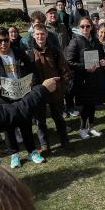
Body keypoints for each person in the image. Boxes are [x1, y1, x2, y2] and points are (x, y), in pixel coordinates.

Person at [0, 27, 44, 168]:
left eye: (6, 40)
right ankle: (14, 154)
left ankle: (32, 151)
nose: (3, 44)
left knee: (26, 123)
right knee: (8, 127)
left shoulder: (19, 53)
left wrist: (32, 80)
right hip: (3, 99)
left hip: (22, 95)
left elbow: (33, 70)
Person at [27, 23, 72, 152]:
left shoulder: (55, 51)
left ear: (46, 34)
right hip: (37, 92)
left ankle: (65, 141)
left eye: (42, 34)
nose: (40, 36)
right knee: (40, 121)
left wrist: (62, 87)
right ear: (33, 35)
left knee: (58, 118)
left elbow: (65, 71)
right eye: (37, 34)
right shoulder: (30, 54)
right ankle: (45, 146)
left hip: (55, 91)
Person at [65, 17, 105, 139]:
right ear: (79, 27)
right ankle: (82, 128)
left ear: (91, 27)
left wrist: (103, 61)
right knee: (84, 104)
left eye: (88, 26)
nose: (85, 28)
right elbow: (69, 62)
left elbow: (101, 55)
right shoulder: (75, 41)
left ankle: (92, 127)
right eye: (82, 26)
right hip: (82, 79)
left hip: (95, 78)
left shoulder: (95, 40)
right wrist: (85, 67)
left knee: (92, 103)